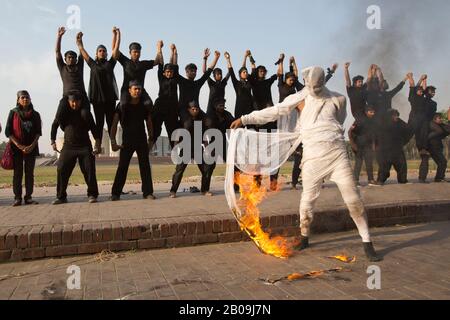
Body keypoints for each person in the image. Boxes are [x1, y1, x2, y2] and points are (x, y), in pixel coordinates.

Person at [230, 66, 382, 262]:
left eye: (317, 86)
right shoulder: (300, 98)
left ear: (323, 83)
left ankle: (367, 242)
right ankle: (304, 237)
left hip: (337, 155)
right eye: (311, 86)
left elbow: (340, 120)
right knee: (307, 202)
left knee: (354, 200)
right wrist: (245, 119)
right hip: (311, 158)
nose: (314, 89)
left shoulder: (338, 99)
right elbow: (274, 112)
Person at [51, 91, 101, 205]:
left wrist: (97, 144)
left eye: (77, 101)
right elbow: (54, 125)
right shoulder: (63, 113)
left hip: (84, 146)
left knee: (89, 170)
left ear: (81, 101)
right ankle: (61, 196)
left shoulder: (86, 114)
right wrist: (52, 141)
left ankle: (92, 194)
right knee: (61, 169)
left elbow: (94, 128)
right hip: (68, 146)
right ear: (68, 102)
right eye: (72, 102)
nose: (75, 104)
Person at [110, 81, 156, 201]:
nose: (137, 91)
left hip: (141, 139)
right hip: (127, 140)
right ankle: (115, 193)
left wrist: (151, 139)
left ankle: (148, 192)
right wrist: (113, 141)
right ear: (129, 90)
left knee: (145, 166)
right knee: (122, 167)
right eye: (135, 89)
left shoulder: (144, 105)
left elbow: (149, 122)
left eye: (139, 89)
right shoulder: (122, 105)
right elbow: (114, 123)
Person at [76, 29, 119, 141]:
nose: (102, 52)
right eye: (100, 51)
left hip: (110, 98)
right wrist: (80, 43)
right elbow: (83, 52)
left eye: (104, 51)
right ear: (96, 53)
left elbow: (115, 50)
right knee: (99, 122)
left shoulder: (110, 64)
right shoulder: (93, 64)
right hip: (97, 99)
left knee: (111, 122)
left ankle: (113, 142)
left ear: (106, 53)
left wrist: (116, 35)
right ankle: (98, 143)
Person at [170, 101, 215, 198]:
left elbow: (205, 134)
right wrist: (175, 147)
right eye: (193, 109)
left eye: (197, 109)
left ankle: (205, 190)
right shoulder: (184, 120)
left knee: (206, 169)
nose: (195, 111)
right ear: (189, 110)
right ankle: (173, 191)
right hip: (186, 148)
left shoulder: (202, 120)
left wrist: (207, 148)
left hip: (198, 148)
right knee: (179, 170)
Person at [5, 91, 42, 207]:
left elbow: (38, 132)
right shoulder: (13, 113)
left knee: (29, 173)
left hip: (31, 148)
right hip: (16, 149)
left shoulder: (35, 115)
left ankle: (28, 197)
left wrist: (31, 146)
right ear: (18, 100)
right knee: (18, 173)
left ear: (30, 99)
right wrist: (19, 146)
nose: (25, 99)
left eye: (27, 97)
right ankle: (17, 198)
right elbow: (8, 132)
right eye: (22, 97)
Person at [112, 28, 162, 109]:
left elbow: (157, 61)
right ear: (130, 53)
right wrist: (116, 35)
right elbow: (115, 51)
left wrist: (159, 47)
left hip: (140, 90)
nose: (136, 54)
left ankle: (148, 120)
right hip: (126, 90)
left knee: (149, 104)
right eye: (134, 52)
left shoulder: (144, 64)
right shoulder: (125, 61)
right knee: (123, 105)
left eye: (138, 52)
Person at [55, 27, 90, 125]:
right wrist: (59, 36)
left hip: (82, 96)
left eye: (73, 57)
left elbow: (81, 52)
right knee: (59, 116)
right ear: (65, 59)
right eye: (69, 57)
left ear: (76, 59)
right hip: (67, 97)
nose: (71, 59)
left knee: (86, 115)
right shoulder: (62, 67)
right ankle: (57, 135)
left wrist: (80, 41)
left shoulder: (79, 66)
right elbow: (57, 52)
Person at [176, 48, 220, 120]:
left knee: (208, 122)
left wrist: (216, 58)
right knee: (188, 124)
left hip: (196, 110)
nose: (194, 73)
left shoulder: (198, 83)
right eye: (191, 71)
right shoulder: (182, 81)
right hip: (183, 110)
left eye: (195, 71)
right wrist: (174, 52)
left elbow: (208, 72)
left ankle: (198, 130)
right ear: (186, 72)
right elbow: (174, 69)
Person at [152, 43, 180, 147]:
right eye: (167, 72)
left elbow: (174, 64)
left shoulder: (175, 78)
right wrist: (159, 48)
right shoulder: (161, 77)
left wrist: (174, 52)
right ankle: (147, 149)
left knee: (173, 133)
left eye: (171, 72)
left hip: (172, 108)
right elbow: (161, 63)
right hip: (160, 106)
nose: (169, 73)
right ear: (164, 73)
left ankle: (176, 156)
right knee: (155, 131)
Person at [376, 109, 413, 185]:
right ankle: (380, 180)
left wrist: (403, 142)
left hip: (398, 149)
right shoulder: (383, 124)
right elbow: (378, 136)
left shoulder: (400, 123)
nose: (396, 117)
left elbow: (408, 131)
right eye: (394, 115)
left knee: (402, 165)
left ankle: (403, 180)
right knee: (384, 166)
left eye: (397, 115)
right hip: (386, 150)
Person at [349, 106, 379, 186]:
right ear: (366, 112)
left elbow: (374, 135)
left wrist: (374, 145)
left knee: (369, 163)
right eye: (371, 112)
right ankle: (355, 181)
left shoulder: (373, 122)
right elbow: (351, 131)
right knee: (358, 163)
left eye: (373, 112)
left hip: (368, 145)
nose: (373, 113)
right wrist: (353, 144)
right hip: (359, 145)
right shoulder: (359, 120)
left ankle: (371, 180)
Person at [419, 111, 450, 183]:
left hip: (436, 148)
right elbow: (424, 136)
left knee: (442, 162)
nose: (441, 119)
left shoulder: (440, 125)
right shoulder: (428, 124)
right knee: (425, 162)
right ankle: (422, 179)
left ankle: (439, 178)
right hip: (428, 147)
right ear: (434, 119)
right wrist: (423, 148)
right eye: (439, 118)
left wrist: (449, 120)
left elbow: (448, 129)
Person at [224, 51, 254, 120]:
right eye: (244, 72)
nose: (246, 73)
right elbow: (231, 71)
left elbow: (252, 70)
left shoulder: (249, 83)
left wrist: (249, 56)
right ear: (240, 74)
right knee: (239, 130)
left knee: (251, 129)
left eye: (246, 72)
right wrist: (228, 59)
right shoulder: (236, 83)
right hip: (239, 109)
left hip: (249, 109)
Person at [407, 73, 428, 153]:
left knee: (424, 132)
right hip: (414, 117)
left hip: (422, 117)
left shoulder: (422, 96)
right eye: (420, 91)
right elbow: (412, 84)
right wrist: (410, 77)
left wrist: (424, 80)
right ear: (416, 91)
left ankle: (423, 149)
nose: (421, 92)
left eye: (422, 91)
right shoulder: (412, 95)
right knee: (415, 133)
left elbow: (424, 88)